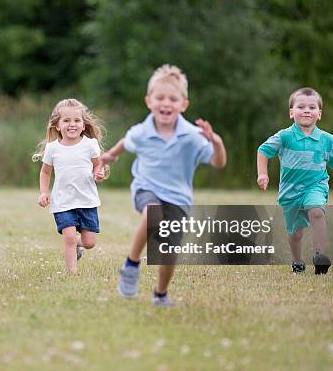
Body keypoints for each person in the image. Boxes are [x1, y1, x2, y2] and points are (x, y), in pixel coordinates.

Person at [100, 64, 227, 306]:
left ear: (183, 104)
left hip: (179, 200)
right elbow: (126, 142)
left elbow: (218, 162)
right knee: (152, 212)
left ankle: (160, 294)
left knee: (168, 253)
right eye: (160, 98)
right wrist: (111, 156)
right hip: (145, 189)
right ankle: (131, 265)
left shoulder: (192, 136)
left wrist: (217, 141)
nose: (165, 103)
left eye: (172, 98)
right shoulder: (142, 131)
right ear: (149, 101)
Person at [257, 87, 333, 274]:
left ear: (319, 114)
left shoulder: (327, 140)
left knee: (317, 210)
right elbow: (263, 151)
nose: (306, 110)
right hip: (290, 191)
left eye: (312, 107)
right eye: (301, 106)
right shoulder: (284, 136)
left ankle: (320, 256)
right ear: (291, 112)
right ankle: (297, 262)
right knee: (295, 234)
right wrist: (263, 174)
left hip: (315, 186)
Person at [33, 99, 106, 273]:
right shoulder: (52, 149)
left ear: (83, 124)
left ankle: (78, 245)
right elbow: (45, 172)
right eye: (66, 121)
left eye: (76, 121)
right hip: (63, 202)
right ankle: (72, 273)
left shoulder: (90, 144)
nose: (72, 124)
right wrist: (43, 192)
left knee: (90, 243)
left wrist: (99, 172)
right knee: (70, 237)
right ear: (57, 125)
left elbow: (98, 164)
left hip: (87, 200)